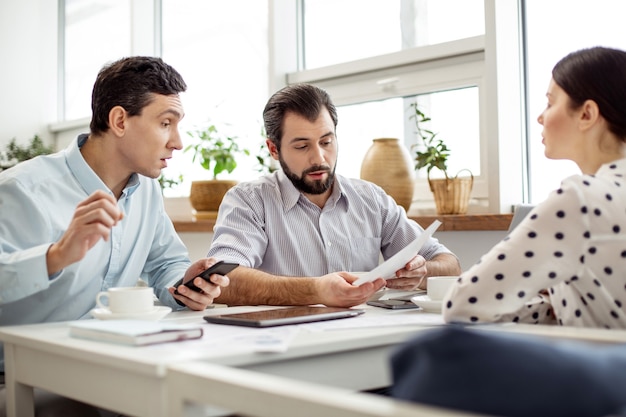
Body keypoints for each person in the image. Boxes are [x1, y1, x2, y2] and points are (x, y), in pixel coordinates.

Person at [0, 56, 229, 416]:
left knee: (206, 402)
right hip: (22, 374)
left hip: (107, 362)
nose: (178, 142)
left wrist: (185, 287)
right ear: (119, 120)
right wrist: (56, 255)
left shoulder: (147, 192)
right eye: (166, 123)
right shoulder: (21, 189)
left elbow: (167, 264)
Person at [207, 83, 461, 307]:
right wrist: (315, 290)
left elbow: (450, 266)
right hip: (283, 345)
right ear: (273, 149)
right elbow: (223, 281)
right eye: (302, 146)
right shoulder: (249, 201)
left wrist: (423, 271)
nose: (319, 158)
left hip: (364, 337)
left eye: (326, 142)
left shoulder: (371, 199)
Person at [443, 46, 626, 328]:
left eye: (551, 103)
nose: (541, 117)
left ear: (587, 114)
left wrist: (551, 301)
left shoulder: (582, 200)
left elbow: (463, 305)